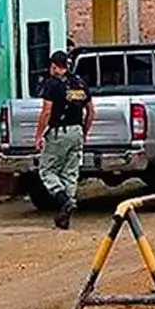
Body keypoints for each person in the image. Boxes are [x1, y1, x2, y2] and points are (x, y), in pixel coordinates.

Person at [34, 50, 95, 230]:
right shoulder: (80, 83)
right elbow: (91, 111)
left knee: (47, 170)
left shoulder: (52, 84)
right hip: (76, 131)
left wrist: (38, 135)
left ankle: (63, 200)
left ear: (54, 66)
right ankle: (65, 214)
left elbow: (46, 111)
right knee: (70, 173)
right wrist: (84, 131)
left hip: (58, 132)